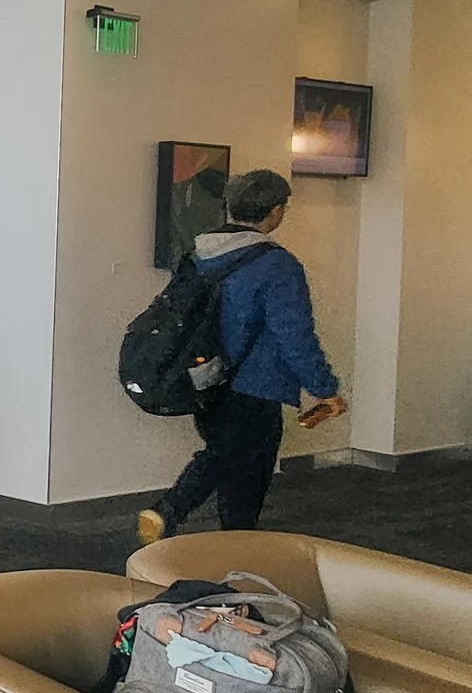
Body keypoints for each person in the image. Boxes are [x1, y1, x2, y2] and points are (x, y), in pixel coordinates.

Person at [138, 170, 346, 544]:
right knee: (245, 470)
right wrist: (323, 387)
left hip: (205, 377)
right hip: (256, 384)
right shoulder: (277, 265)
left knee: (228, 456)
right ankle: (175, 512)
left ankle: (221, 537)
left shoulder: (199, 253)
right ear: (276, 211)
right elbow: (294, 334)